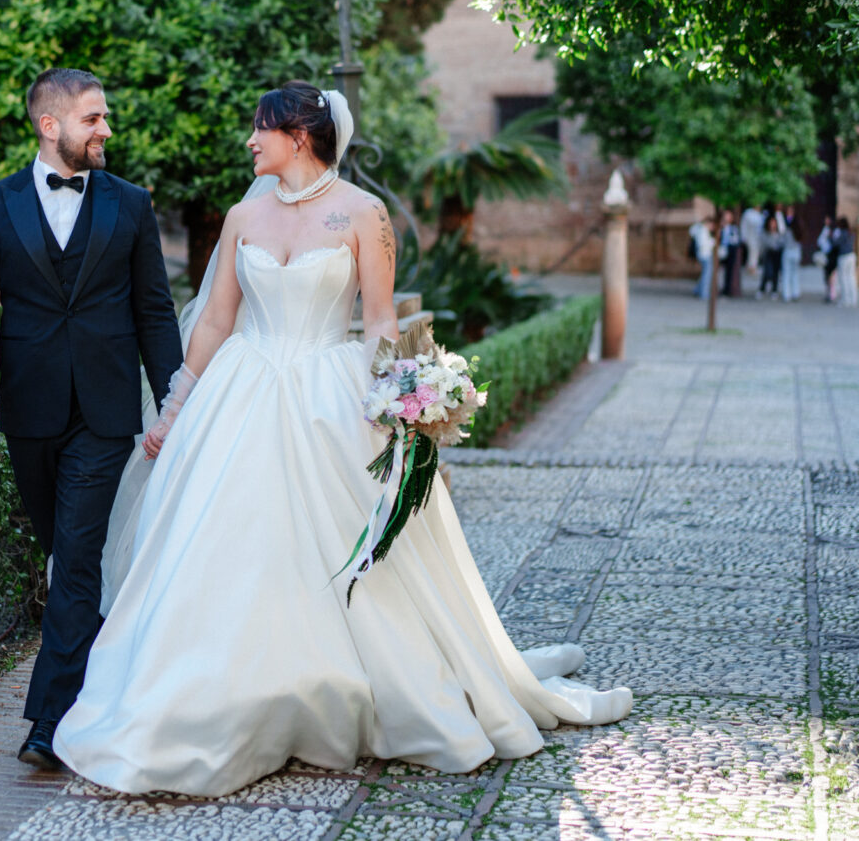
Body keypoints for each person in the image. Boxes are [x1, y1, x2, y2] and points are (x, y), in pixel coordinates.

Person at [52, 82, 632, 797]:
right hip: (240, 393)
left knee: (345, 551)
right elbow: (212, 322)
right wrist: (174, 408)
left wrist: (397, 397)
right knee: (226, 545)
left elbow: (380, 320)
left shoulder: (365, 213)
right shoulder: (242, 216)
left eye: (259, 129)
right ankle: (213, 697)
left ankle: (360, 685)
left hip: (329, 396)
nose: (249, 142)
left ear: (298, 135)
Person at [0, 68, 183, 770]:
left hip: (106, 413)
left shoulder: (131, 205)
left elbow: (154, 311)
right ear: (52, 127)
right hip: (31, 411)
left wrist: (174, 405)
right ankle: (107, 673)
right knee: (64, 557)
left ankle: (50, 720)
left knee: (75, 558)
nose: (105, 129)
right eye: (93, 119)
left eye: (104, 118)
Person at [758, 215, 784, 299]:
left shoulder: (779, 233)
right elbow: (764, 243)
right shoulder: (765, 233)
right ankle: (762, 289)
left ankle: (774, 290)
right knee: (767, 272)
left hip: (776, 254)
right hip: (768, 253)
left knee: (775, 273)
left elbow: (781, 242)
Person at [691, 216, 716, 299]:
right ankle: (703, 293)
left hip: (704, 254)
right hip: (704, 254)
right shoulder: (703, 231)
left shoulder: (701, 230)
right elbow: (703, 244)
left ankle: (698, 290)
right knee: (706, 274)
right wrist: (712, 242)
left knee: (705, 274)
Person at [740, 203, 764, 287]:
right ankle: (751, 268)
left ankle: (753, 268)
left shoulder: (760, 214)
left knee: (755, 253)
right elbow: (744, 226)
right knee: (752, 252)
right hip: (750, 236)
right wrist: (744, 237)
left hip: (757, 237)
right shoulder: (748, 214)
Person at [719, 210, 742, 297]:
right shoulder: (721, 227)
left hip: (730, 249)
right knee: (720, 271)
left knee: (729, 271)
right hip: (721, 249)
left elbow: (736, 240)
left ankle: (727, 289)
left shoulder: (733, 228)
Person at [782, 214, 804, 303]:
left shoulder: (788, 231)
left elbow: (783, 242)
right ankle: (795, 293)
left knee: (787, 273)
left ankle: (787, 294)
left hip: (788, 252)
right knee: (795, 273)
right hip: (796, 253)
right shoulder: (800, 232)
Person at [836, 217, 857, 307]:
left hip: (844, 257)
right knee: (851, 277)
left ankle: (846, 299)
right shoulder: (851, 233)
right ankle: (853, 298)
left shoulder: (843, 233)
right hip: (852, 256)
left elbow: (836, 243)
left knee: (843, 278)